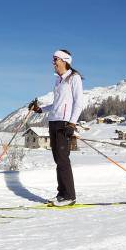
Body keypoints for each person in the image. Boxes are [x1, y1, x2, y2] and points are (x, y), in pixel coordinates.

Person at [28, 49, 83, 206]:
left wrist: (72, 123)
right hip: (53, 121)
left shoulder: (74, 78)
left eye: (55, 59)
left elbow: (79, 103)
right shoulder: (58, 80)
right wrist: (40, 110)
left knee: (63, 159)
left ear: (64, 60)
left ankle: (70, 196)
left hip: (64, 122)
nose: (53, 62)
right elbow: (56, 104)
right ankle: (61, 194)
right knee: (58, 159)